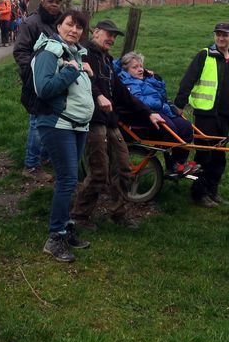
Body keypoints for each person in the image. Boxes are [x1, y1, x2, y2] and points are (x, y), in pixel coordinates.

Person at [70, 20, 165, 231]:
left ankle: (118, 214)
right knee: (98, 172)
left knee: (123, 167)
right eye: (108, 34)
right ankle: (79, 215)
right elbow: (83, 80)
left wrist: (149, 113)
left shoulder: (106, 60)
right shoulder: (83, 53)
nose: (111, 39)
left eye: (114, 36)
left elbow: (122, 92)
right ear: (96, 32)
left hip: (111, 121)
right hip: (93, 120)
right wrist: (99, 96)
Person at [33, 9, 94, 262]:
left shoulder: (75, 54)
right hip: (57, 124)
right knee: (67, 180)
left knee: (71, 179)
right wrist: (71, 72)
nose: (74, 30)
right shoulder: (50, 51)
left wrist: (79, 68)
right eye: (69, 24)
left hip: (77, 125)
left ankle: (66, 227)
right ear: (58, 26)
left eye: (79, 27)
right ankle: (54, 237)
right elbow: (43, 88)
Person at [174, 22, 229, 208]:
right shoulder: (205, 55)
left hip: (224, 116)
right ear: (215, 36)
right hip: (205, 114)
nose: (221, 38)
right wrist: (179, 105)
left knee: (219, 156)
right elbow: (188, 79)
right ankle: (198, 193)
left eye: (225, 35)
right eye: (218, 35)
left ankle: (212, 191)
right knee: (204, 155)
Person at [115, 51, 199, 176]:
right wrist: (158, 103)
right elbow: (138, 102)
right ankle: (173, 166)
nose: (140, 69)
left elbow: (161, 93)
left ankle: (180, 163)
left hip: (160, 111)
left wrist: (153, 78)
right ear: (126, 70)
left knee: (186, 127)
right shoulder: (128, 83)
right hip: (142, 116)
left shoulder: (144, 80)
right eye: (135, 67)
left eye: (141, 66)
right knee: (171, 129)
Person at [13, 0, 63, 180]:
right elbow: (20, 50)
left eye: (57, 1)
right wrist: (33, 71)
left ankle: (45, 156)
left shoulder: (60, 23)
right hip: (35, 80)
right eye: (50, 1)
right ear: (42, 2)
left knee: (52, 118)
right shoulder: (32, 23)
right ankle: (31, 165)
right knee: (37, 122)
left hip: (56, 80)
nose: (54, 4)